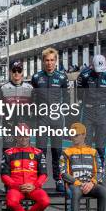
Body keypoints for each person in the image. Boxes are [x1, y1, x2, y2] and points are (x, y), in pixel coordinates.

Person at [60, 123, 106, 211]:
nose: (73, 137)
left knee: (104, 192)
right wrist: (79, 183)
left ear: (84, 135)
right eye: (72, 134)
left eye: (76, 135)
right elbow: (63, 173)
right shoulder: (66, 152)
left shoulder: (93, 152)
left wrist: (92, 183)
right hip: (74, 185)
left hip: (91, 184)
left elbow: (100, 171)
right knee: (76, 192)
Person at [1, 123, 50, 211]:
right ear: (16, 136)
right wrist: (16, 186)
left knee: (45, 201)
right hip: (16, 188)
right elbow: (4, 175)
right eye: (20, 135)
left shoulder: (38, 153)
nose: (23, 138)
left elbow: (44, 174)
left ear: (29, 136)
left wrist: (35, 185)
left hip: (33, 188)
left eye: (26, 135)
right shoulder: (8, 153)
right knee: (11, 202)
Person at [31, 48, 70, 192]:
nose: (49, 63)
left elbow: (66, 98)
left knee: (57, 150)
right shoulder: (36, 77)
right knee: (40, 150)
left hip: (56, 119)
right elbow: (32, 99)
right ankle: (39, 179)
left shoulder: (62, 77)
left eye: (52, 60)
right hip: (41, 118)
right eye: (47, 60)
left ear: (56, 61)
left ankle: (58, 179)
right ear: (43, 61)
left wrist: (62, 112)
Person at [76, 55, 106, 166]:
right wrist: (82, 104)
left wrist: (104, 106)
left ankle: (100, 170)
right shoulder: (84, 76)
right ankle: (86, 168)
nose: (99, 73)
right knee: (86, 142)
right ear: (92, 66)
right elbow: (79, 93)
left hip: (102, 112)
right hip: (88, 112)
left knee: (101, 144)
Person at [0, 60, 33, 152]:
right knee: (8, 151)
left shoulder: (30, 88)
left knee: (25, 152)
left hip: (25, 124)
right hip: (8, 125)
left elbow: (34, 107)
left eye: (19, 70)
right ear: (10, 72)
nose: (16, 73)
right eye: (14, 70)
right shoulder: (2, 88)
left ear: (22, 72)